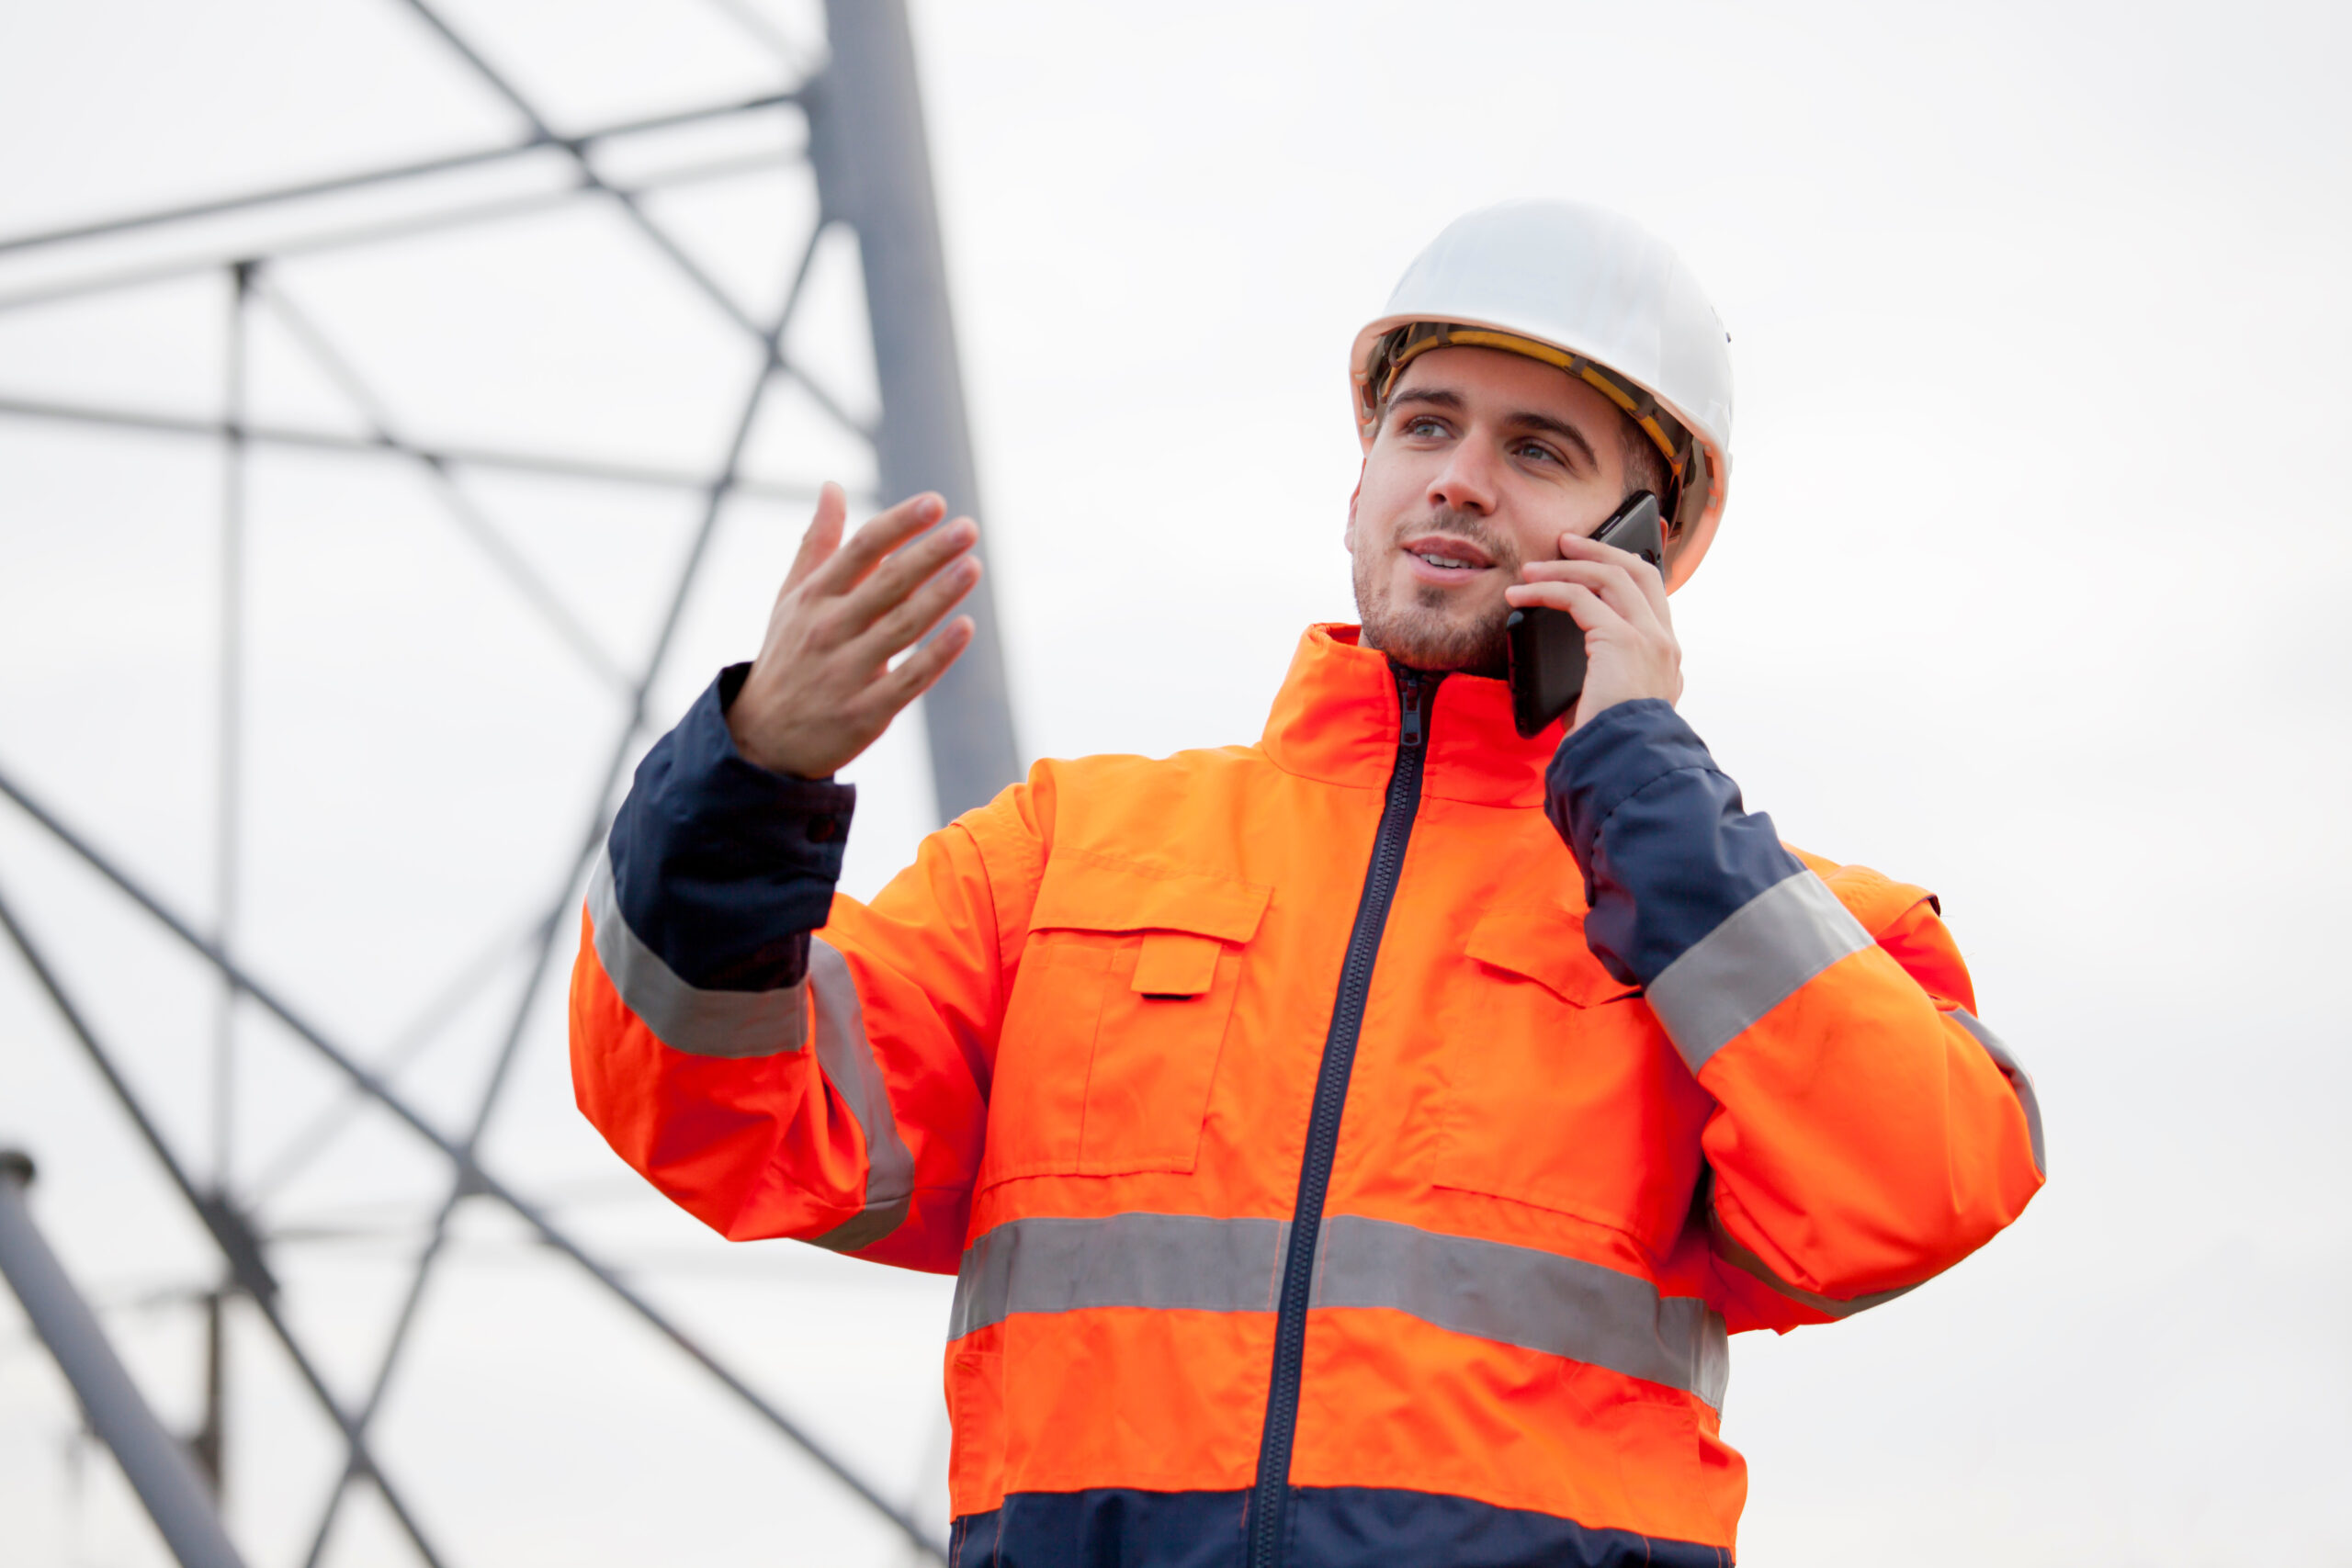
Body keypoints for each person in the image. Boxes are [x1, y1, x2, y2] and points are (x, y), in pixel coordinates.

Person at [569, 200, 2046, 1568]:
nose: (1459, 479)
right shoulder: (1067, 854)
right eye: (1425, 424)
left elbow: (1917, 1187)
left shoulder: (1762, 921)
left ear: (1650, 545)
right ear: (1363, 471)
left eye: (1539, 452)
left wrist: (1646, 784)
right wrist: (750, 778)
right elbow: (713, 1117)